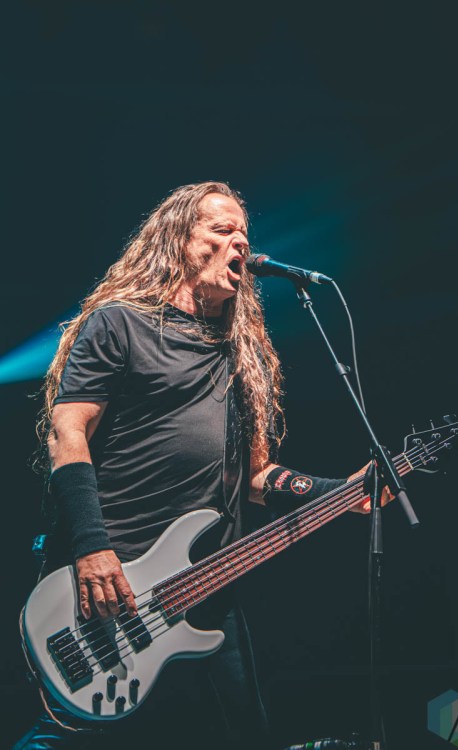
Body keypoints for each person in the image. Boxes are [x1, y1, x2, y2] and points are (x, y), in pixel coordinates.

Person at [15, 182, 392, 750]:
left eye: (244, 233)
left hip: (204, 582)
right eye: (222, 229)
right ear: (177, 240)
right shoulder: (119, 324)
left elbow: (255, 478)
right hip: (113, 574)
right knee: (76, 737)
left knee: (244, 733)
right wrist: (92, 548)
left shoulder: (239, 355)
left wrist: (339, 491)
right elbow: (67, 434)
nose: (241, 242)